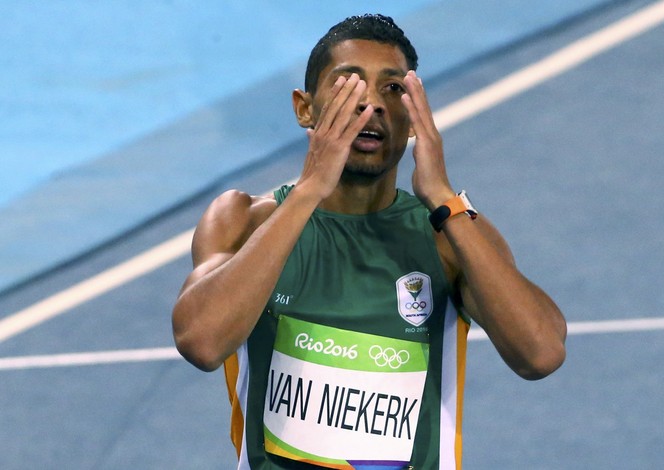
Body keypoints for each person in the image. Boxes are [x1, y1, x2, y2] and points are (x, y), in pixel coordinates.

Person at [172, 13, 566, 469]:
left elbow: (541, 353)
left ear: (414, 116)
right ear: (305, 108)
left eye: (393, 88)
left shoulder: (448, 234)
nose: (372, 103)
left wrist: (443, 199)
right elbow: (201, 341)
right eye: (348, 84)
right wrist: (308, 192)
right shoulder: (242, 220)